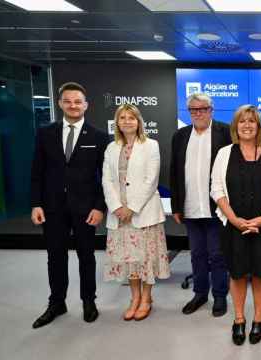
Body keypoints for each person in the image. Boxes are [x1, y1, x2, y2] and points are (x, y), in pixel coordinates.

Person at [30, 81, 109, 328]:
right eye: (68, 101)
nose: (73, 105)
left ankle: (89, 301)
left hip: (85, 209)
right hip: (52, 207)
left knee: (87, 256)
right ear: (60, 103)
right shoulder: (46, 133)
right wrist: (36, 203)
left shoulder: (98, 136)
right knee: (55, 257)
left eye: (78, 101)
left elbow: (104, 177)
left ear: (86, 105)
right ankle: (56, 303)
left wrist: (99, 207)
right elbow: (37, 171)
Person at [211, 105, 261, 345]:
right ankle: (239, 319)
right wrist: (234, 220)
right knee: (238, 272)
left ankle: (259, 319)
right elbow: (217, 190)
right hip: (234, 226)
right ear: (236, 126)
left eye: (252, 121)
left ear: (258, 126)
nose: (247, 125)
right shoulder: (224, 153)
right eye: (243, 121)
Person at [102, 104, 170, 321]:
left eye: (131, 117)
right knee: (130, 259)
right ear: (117, 122)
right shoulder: (111, 148)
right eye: (122, 118)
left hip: (143, 213)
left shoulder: (151, 145)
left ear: (138, 121)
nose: (127, 121)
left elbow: (152, 180)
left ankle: (147, 299)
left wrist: (132, 208)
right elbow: (107, 180)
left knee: (146, 259)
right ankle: (134, 298)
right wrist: (117, 207)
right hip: (119, 215)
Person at [170, 93, 231, 316]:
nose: (198, 113)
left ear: (211, 110)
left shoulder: (225, 133)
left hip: (217, 207)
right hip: (190, 207)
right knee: (196, 254)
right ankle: (200, 293)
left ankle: (220, 296)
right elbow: (174, 172)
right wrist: (176, 206)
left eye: (202, 109)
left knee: (217, 254)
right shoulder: (180, 136)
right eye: (193, 110)